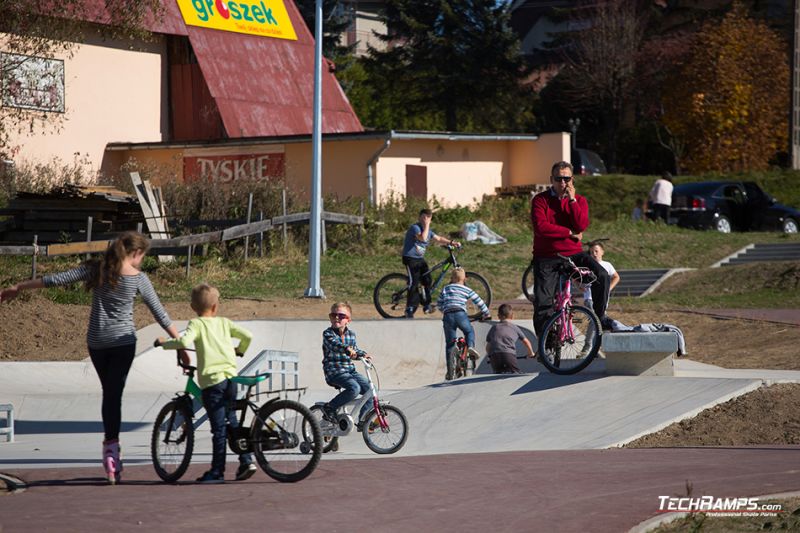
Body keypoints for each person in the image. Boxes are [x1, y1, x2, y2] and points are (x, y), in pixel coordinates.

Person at [0, 231, 187, 485]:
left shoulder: (97, 270)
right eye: (142, 256)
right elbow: (160, 313)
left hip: (97, 344)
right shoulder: (139, 279)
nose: (142, 261)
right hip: (122, 344)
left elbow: (55, 280)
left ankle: (110, 451)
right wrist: (181, 344)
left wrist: (19, 287)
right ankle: (111, 451)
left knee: (108, 393)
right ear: (135, 253)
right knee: (113, 395)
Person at [157, 283, 256, 484]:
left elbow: (184, 343)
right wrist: (240, 351)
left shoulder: (197, 324)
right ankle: (246, 460)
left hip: (212, 383)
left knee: (218, 428)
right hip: (231, 379)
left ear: (193, 308)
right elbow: (248, 336)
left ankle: (217, 472)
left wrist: (164, 344)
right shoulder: (224, 323)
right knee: (232, 421)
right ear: (215, 307)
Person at [530, 161, 611, 338]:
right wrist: (568, 232)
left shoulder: (580, 200)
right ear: (551, 179)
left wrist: (572, 200)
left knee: (602, 276)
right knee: (543, 302)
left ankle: (599, 318)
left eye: (566, 178)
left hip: (574, 254)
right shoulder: (540, 200)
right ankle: (546, 341)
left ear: (572, 180)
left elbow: (581, 225)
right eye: (558, 178)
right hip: (547, 257)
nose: (562, 182)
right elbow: (541, 228)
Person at [402, 208, 459, 318]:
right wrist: (427, 225)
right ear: (419, 217)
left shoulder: (429, 231)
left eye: (428, 218)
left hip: (419, 259)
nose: (425, 220)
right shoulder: (415, 228)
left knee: (427, 280)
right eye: (423, 217)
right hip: (410, 258)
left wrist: (451, 242)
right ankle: (409, 308)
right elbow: (423, 238)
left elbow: (438, 238)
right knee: (414, 282)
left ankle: (426, 305)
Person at [437, 267, 491, 380]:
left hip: (448, 316)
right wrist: (486, 313)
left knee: (450, 344)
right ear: (464, 278)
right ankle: (470, 347)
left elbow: (439, 303)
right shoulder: (466, 289)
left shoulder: (445, 289)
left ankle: (450, 371)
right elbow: (479, 301)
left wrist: (444, 310)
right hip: (460, 314)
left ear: (451, 278)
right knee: (469, 330)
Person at [321, 302, 372, 422]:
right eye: (333, 315)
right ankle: (330, 407)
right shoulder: (328, 333)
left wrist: (363, 354)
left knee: (371, 390)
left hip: (349, 371)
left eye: (341, 316)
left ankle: (364, 420)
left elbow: (354, 351)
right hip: (334, 372)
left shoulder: (351, 335)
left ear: (348, 320)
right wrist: (346, 349)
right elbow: (335, 345)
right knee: (355, 388)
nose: (337, 318)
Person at [485, 304, 534, 374]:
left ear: (498, 316)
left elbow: (488, 346)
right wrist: (531, 353)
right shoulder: (514, 327)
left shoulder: (494, 328)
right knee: (516, 375)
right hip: (509, 355)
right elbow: (526, 342)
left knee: (497, 375)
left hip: (494, 356)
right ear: (512, 316)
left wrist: (489, 356)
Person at [583, 241, 620, 309]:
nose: (594, 254)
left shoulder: (607, 265)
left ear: (602, 252)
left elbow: (616, 277)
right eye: (591, 252)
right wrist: (579, 287)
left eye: (596, 251)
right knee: (594, 317)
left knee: (601, 317)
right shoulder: (586, 265)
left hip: (603, 297)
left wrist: (608, 288)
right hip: (589, 297)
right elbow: (575, 278)